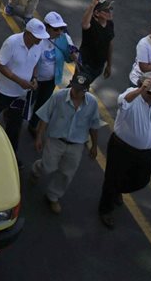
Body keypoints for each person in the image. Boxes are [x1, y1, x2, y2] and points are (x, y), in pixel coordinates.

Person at [99, 74, 151, 228]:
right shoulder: (131, 95)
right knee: (112, 178)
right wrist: (140, 90)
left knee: (141, 179)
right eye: (150, 92)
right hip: (122, 148)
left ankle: (118, 189)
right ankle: (105, 209)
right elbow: (122, 101)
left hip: (146, 151)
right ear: (141, 88)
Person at [30, 74, 101, 214]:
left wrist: (94, 146)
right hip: (56, 140)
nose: (76, 92)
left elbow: (94, 125)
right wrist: (39, 137)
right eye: (75, 88)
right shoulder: (59, 96)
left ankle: (53, 196)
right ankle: (37, 168)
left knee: (66, 173)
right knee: (48, 167)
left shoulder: (92, 103)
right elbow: (45, 116)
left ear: (86, 90)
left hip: (76, 144)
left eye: (80, 90)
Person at [0, 18, 48, 149]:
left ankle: (12, 155)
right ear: (28, 34)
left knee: (14, 128)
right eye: (38, 37)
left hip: (20, 95)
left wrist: (35, 78)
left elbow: (35, 63)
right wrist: (19, 81)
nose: (40, 40)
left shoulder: (38, 45)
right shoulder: (12, 42)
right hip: (2, 91)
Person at [28, 11, 76, 135]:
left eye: (61, 28)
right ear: (47, 28)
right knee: (27, 101)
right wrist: (33, 77)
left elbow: (68, 57)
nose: (59, 32)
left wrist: (72, 56)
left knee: (42, 104)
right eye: (56, 29)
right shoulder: (38, 39)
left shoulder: (63, 39)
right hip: (34, 79)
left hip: (51, 80)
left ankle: (33, 125)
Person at [78, 0, 115, 85]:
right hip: (86, 65)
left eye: (111, 9)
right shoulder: (91, 25)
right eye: (106, 10)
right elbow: (84, 24)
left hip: (99, 66)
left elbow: (109, 44)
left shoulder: (110, 24)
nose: (110, 12)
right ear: (97, 13)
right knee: (77, 88)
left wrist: (109, 65)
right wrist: (92, 5)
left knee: (84, 87)